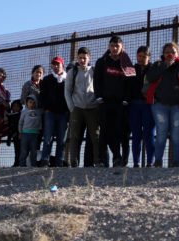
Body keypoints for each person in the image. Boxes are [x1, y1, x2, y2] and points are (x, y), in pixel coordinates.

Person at [144, 42, 179, 168]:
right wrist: (163, 66)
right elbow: (150, 78)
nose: (170, 54)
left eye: (173, 52)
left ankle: (176, 162)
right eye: (167, 52)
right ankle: (158, 161)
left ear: (177, 53)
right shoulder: (158, 64)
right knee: (161, 133)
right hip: (159, 105)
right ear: (163, 53)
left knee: (176, 134)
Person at [94, 36, 136, 168]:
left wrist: (126, 99)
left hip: (120, 104)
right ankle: (101, 160)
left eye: (117, 46)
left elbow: (131, 83)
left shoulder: (127, 63)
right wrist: (99, 97)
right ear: (109, 47)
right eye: (112, 46)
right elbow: (97, 80)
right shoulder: (102, 62)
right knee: (104, 131)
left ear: (122, 47)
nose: (114, 48)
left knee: (117, 131)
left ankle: (117, 159)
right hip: (104, 102)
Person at [65, 47, 100, 167]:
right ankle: (74, 162)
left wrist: (97, 104)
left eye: (84, 58)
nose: (82, 60)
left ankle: (97, 161)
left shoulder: (95, 71)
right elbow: (67, 91)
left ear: (89, 58)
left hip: (93, 108)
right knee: (75, 137)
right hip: (77, 108)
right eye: (80, 58)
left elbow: (99, 88)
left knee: (95, 136)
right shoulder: (72, 72)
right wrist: (72, 108)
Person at [39, 56, 70, 167]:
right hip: (50, 112)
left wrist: (68, 110)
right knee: (48, 137)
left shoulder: (68, 79)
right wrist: (46, 108)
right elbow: (42, 95)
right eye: (54, 64)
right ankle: (45, 160)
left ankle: (59, 161)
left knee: (62, 138)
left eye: (58, 64)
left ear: (62, 65)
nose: (56, 66)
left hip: (63, 113)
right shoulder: (47, 79)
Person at [129, 46, 156, 168]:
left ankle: (150, 161)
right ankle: (136, 162)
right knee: (136, 135)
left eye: (144, 56)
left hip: (148, 105)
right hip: (134, 105)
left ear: (149, 57)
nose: (141, 59)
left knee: (149, 134)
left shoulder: (153, 70)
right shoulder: (132, 70)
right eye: (139, 56)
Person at [19, 95, 43, 167]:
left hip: (35, 135)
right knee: (24, 151)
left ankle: (33, 165)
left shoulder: (38, 112)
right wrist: (20, 132)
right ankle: (22, 165)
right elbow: (20, 122)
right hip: (25, 134)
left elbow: (40, 122)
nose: (32, 104)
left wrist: (40, 130)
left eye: (33, 102)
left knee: (34, 151)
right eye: (30, 102)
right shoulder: (24, 112)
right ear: (26, 103)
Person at [4, 100, 22, 166]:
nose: (15, 108)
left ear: (20, 107)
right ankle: (16, 163)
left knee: (22, 150)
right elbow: (10, 128)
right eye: (14, 106)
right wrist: (9, 138)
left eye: (17, 106)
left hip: (21, 134)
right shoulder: (10, 116)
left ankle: (22, 162)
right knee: (16, 150)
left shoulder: (21, 115)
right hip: (14, 136)